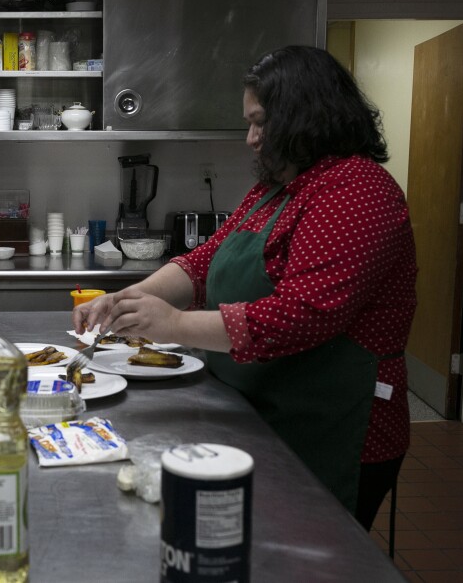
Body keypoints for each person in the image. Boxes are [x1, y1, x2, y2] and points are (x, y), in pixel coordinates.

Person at [73, 45, 417, 529]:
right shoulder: (275, 188)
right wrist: (134, 298)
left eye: (261, 122)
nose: (252, 138)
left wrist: (174, 324)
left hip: (336, 428)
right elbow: (201, 262)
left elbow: (303, 314)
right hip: (264, 412)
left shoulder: (358, 190)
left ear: (304, 116)